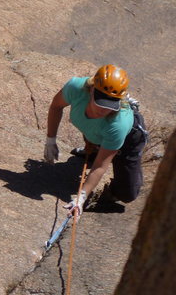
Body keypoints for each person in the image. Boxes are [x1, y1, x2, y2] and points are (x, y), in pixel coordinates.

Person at [44, 64, 148, 218]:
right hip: (100, 134)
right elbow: (56, 107)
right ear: (92, 89)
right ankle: (94, 150)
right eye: (100, 102)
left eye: (111, 105)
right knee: (95, 136)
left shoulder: (119, 123)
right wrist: (50, 140)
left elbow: (100, 166)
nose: (104, 109)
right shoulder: (75, 88)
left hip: (128, 140)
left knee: (127, 193)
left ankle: (111, 191)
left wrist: (81, 198)